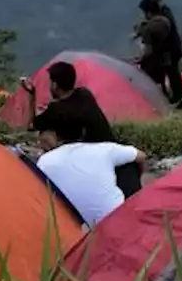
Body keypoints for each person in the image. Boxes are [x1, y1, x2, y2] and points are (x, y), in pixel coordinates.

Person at [21, 61, 141, 197]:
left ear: (54, 85)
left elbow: (31, 125)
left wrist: (32, 94)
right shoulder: (85, 95)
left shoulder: (57, 110)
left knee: (44, 136)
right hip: (117, 159)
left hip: (94, 166)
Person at [35, 123, 145, 228]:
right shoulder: (105, 149)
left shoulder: (44, 161)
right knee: (128, 163)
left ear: (54, 136)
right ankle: (136, 210)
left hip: (69, 228)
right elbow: (141, 156)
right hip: (112, 220)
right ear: (83, 133)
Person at [142, 0, 182, 106]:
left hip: (169, 50)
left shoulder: (162, 17)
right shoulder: (163, 14)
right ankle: (178, 98)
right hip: (170, 49)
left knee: (172, 74)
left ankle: (180, 99)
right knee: (171, 74)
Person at [135, 0, 174, 90]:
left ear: (148, 12)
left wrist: (140, 60)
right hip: (165, 59)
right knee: (162, 84)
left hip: (152, 64)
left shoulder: (149, 28)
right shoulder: (166, 21)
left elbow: (148, 51)